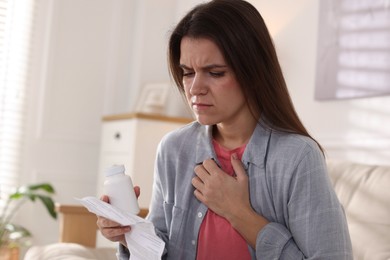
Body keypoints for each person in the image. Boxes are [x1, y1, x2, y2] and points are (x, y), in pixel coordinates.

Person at [97, 0, 353, 259]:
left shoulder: (298, 158)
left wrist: (238, 211)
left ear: (252, 72)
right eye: (187, 72)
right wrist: (129, 234)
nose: (195, 88)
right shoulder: (174, 149)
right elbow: (161, 248)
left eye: (215, 73)